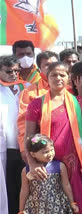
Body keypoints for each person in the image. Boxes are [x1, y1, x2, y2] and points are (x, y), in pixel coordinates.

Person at [24, 62, 82, 214]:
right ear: (47, 77)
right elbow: (29, 136)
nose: (58, 78)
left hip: (73, 164)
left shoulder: (77, 102)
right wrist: (32, 163)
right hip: (47, 165)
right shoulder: (36, 104)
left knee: (75, 204)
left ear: (69, 77)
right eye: (54, 75)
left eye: (62, 75)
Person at [19, 134, 79, 214]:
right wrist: (21, 210)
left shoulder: (60, 166)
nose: (50, 153)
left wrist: (72, 202)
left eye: (52, 150)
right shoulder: (26, 171)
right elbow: (24, 190)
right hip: (36, 206)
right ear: (33, 154)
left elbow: (66, 185)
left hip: (57, 205)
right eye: (46, 152)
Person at [0, 55, 30, 214]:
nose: (13, 74)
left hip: (25, 146)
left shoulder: (27, 87)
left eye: (16, 71)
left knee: (24, 185)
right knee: (7, 187)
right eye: (8, 71)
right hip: (5, 148)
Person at [18, 51, 59, 152]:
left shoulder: (69, 89)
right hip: (41, 149)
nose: (51, 68)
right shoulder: (29, 92)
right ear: (39, 68)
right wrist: (25, 150)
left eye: (54, 64)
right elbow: (24, 125)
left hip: (67, 144)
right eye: (47, 65)